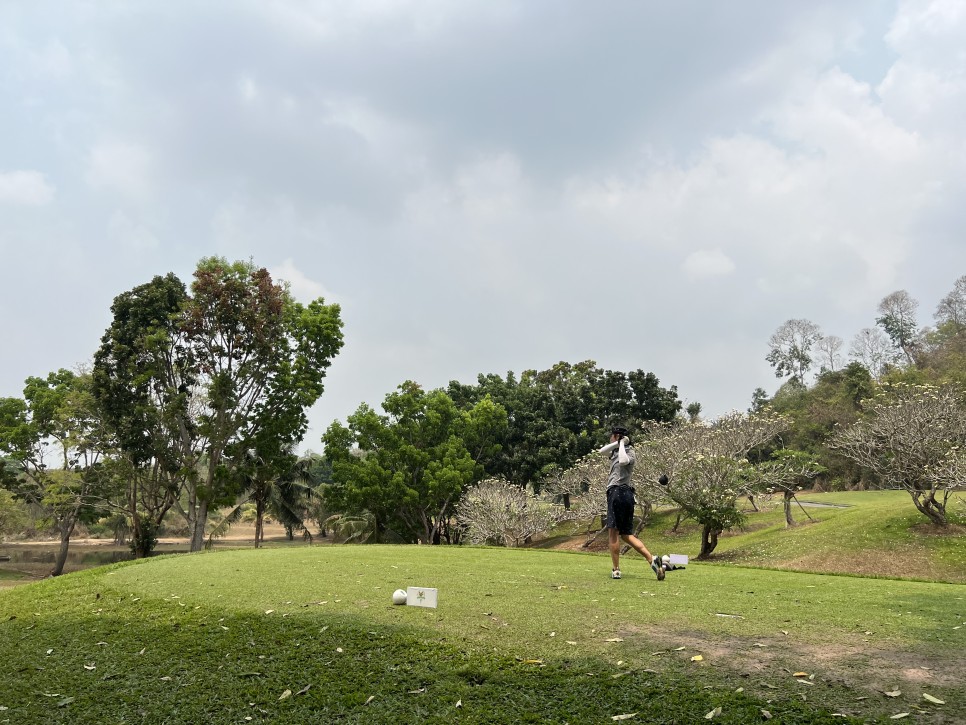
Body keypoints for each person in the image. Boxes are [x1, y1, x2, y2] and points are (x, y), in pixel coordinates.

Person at [599, 426, 665, 581]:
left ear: (615, 436)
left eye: (612, 436)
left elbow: (623, 462)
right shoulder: (615, 451)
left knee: (613, 532)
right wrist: (619, 443)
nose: (610, 438)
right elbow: (601, 451)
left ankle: (616, 570)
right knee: (626, 535)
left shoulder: (629, 452)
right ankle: (652, 560)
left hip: (617, 492)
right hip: (626, 495)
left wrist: (622, 444)